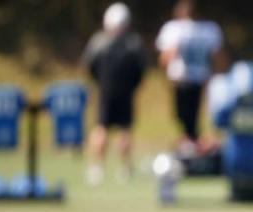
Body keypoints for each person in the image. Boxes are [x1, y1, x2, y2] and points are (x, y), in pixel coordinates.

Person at [81, 3, 146, 185]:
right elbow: (140, 71)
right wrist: (132, 87)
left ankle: (97, 168)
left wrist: (100, 83)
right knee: (124, 130)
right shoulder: (133, 43)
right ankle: (125, 169)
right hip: (125, 92)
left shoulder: (99, 42)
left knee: (101, 128)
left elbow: (89, 66)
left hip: (106, 92)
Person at [155, 0, 225, 149]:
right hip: (200, 78)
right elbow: (217, 58)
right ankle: (192, 142)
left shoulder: (174, 29)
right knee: (192, 117)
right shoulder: (209, 30)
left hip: (182, 79)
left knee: (184, 117)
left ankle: (191, 145)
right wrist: (216, 76)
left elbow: (166, 57)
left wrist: (164, 74)